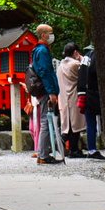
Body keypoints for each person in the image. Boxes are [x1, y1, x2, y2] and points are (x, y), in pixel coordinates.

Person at [31, 23, 60, 165]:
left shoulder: (40, 50)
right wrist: (51, 92)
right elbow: (45, 72)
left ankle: (44, 153)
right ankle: (43, 155)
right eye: (50, 33)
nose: (52, 36)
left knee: (45, 121)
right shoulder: (42, 51)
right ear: (43, 35)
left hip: (43, 89)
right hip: (45, 90)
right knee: (45, 121)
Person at [57, 41, 86, 158]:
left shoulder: (60, 65)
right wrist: (81, 58)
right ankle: (69, 147)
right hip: (74, 96)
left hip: (63, 98)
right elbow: (85, 67)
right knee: (75, 125)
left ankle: (73, 149)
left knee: (68, 125)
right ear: (75, 52)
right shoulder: (75, 64)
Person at [77, 44, 105, 159]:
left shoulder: (84, 60)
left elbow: (80, 77)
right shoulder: (96, 57)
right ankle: (93, 150)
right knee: (103, 121)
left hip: (84, 93)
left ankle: (92, 149)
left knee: (90, 123)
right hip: (95, 93)